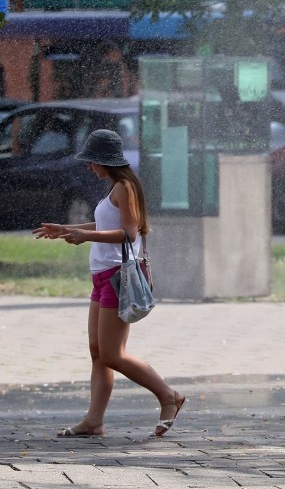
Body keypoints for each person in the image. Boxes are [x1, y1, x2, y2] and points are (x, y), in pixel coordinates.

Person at [33, 129, 186, 438]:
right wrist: (66, 229)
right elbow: (106, 225)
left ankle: (169, 396)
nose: (90, 167)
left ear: (105, 160)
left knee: (113, 354)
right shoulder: (115, 187)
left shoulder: (125, 187)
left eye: (92, 161)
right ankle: (94, 421)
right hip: (102, 276)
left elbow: (130, 234)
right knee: (97, 351)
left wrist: (85, 236)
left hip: (118, 277)